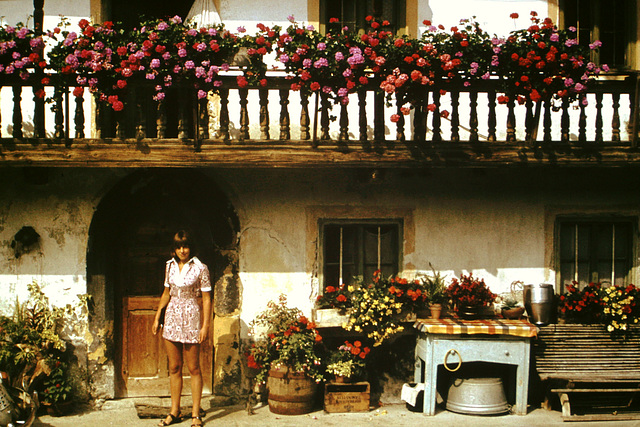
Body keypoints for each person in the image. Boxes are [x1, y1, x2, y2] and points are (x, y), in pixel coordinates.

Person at [153, 230, 212, 427]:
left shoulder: (200, 268)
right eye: (178, 247)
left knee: (194, 367)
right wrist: (157, 317)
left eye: (185, 246)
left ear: (191, 247)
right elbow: (166, 293)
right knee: (174, 367)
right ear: (174, 248)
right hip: (171, 318)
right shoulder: (169, 266)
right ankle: (174, 411)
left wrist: (205, 326)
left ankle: (195, 414)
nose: (182, 250)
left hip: (191, 317)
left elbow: (206, 298)